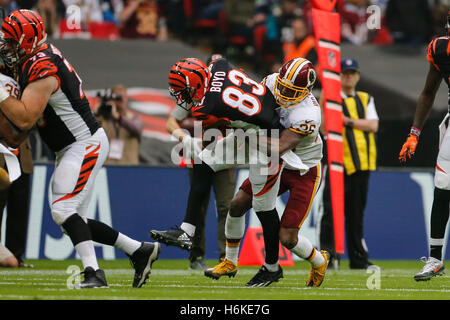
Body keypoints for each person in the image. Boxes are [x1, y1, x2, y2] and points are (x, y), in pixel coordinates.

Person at [0, 9, 161, 288]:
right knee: (73, 218)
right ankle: (139, 250)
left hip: (83, 143)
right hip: (71, 146)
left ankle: (94, 274)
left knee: (63, 209)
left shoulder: (42, 65)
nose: (7, 47)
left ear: (27, 40)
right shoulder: (33, 58)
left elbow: (25, 117)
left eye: (12, 41)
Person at [203, 57, 329, 287]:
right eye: (281, 85)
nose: (282, 92)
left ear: (305, 91)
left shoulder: (308, 114)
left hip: (303, 170)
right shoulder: (271, 81)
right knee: (237, 204)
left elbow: (279, 146)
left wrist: (244, 134)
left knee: (287, 238)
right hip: (276, 161)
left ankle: (319, 261)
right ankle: (230, 261)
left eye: (290, 90)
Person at [162, 56, 236, 269]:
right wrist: (185, 138)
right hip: (200, 156)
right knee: (198, 207)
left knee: (227, 207)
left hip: (225, 157)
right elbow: (170, 122)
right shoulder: (195, 92)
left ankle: (226, 256)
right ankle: (197, 256)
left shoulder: (228, 94)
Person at [399, 14, 450, 281]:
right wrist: (414, 133)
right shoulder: (440, 49)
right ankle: (435, 259)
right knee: (442, 186)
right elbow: (428, 92)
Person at [319, 58, 378, 270]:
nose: (349, 77)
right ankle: (327, 256)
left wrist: (347, 121)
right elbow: (324, 129)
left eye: (352, 73)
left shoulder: (365, 98)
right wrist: (326, 98)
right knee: (330, 211)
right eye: (345, 73)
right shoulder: (330, 98)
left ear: (358, 76)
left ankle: (357, 258)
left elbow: (373, 125)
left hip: (362, 163)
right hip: (336, 164)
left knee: (356, 214)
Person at [96, 84, 143, 165]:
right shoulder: (104, 119)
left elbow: (136, 129)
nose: (122, 99)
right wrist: (97, 113)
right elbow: (91, 133)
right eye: (118, 97)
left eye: (124, 96)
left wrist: (118, 117)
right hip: (108, 167)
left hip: (129, 167)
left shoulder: (133, 118)